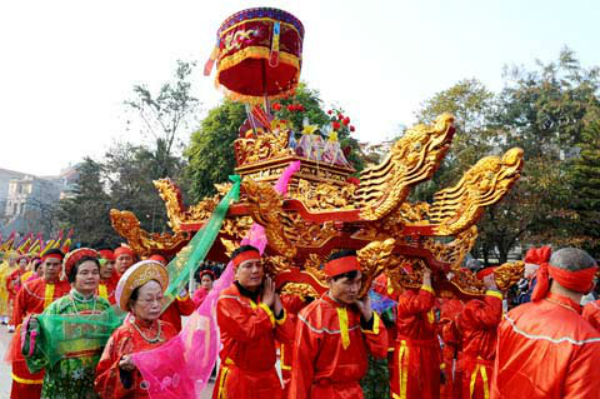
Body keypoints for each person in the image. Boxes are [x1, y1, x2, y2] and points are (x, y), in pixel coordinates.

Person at [491, 247, 600, 398]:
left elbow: (497, 379)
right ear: (589, 287)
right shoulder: (587, 339)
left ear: (549, 275)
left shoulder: (514, 316)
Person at [288, 249, 388, 399]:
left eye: (358, 282)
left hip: (354, 392)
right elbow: (301, 373)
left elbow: (381, 350)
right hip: (324, 393)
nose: (354, 289)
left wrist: (368, 316)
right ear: (330, 281)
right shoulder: (312, 316)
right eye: (348, 283)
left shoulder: (359, 311)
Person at [23, 248, 112, 399]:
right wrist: (32, 327)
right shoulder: (59, 307)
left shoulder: (104, 306)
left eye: (95, 272)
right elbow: (42, 344)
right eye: (84, 273)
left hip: (95, 382)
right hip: (62, 383)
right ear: (73, 277)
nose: (91, 277)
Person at [212, 245, 293, 399]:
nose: (255, 270)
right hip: (239, 379)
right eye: (248, 266)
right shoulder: (227, 298)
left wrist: (277, 304)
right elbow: (247, 332)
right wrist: (265, 306)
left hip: (268, 378)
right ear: (236, 272)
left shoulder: (266, 295)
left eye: (258, 265)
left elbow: (288, 337)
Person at [95, 260, 178, 399]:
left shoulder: (169, 329)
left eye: (159, 298)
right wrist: (122, 370)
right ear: (132, 304)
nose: (156, 305)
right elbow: (101, 381)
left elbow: (182, 367)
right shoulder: (122, 335)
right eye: (148, 300)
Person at [8, 249, 70, 399]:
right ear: (41, 266)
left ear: (61, 266)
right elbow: (17, 314)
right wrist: (24, 337)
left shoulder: (68, 290)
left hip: (56, 345)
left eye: (56, 264)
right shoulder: (29, 287)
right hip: (30, 342)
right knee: (25, 383)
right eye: (48, 264)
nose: (51, 268)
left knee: (50, 384)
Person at [391, 266, 440, 399]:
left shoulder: (429, 296)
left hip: (428, 351)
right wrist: (426, 277)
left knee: (428, 391)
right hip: (411, 353)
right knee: (409, 391)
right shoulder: (406, 297)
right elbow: (423, 303)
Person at [453, 269, 503, 399]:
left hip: (486, 366)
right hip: (478, 370)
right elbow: (491, 318)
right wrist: (493, 291)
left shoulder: (488, 304)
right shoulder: (473, 306)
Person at [147, 253, 196, 332]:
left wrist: (180, 288)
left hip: (172, 336)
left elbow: (188, 310)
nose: (158, 271)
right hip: (149, 337)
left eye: (162, 266)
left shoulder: (174, 287)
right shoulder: (141, 289)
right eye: (154, 267)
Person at [6, 255, 29, 332]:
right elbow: (9, 284)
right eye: (21, 262)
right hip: (14, 294)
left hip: (24, 295)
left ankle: (22, 325)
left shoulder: (28, 273)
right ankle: (12, 325)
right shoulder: (15, 273)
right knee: (13, 310)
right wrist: (16, 281)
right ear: (19, 263)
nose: (23, 264)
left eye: (25, 262)